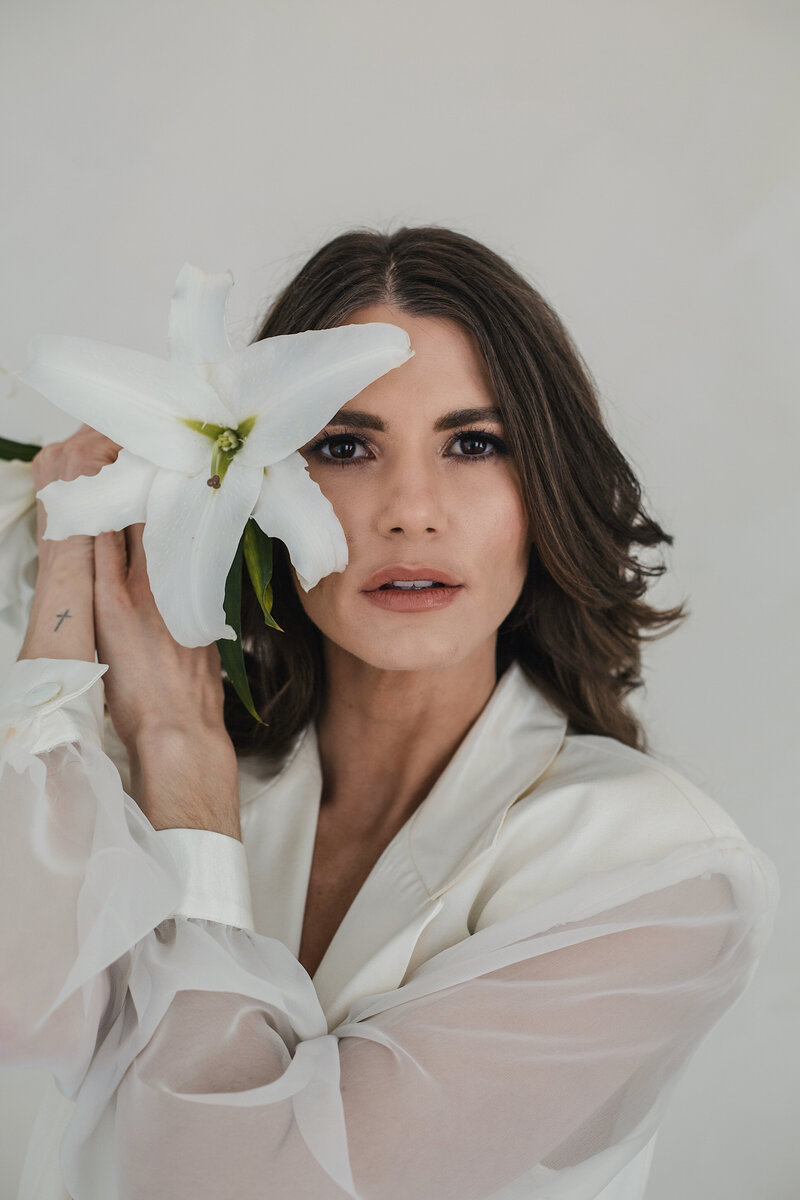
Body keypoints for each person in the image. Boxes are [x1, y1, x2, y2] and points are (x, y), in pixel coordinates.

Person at [0, 226, 779, 1200]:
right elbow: (22, 1007)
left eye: (472, 443)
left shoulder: (657, 871)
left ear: (543, 491)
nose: (412, 509)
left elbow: (235, 1186)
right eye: (344, 445)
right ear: (252, 493)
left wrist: (186, 772)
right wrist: (66, 595)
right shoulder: (136, 772)